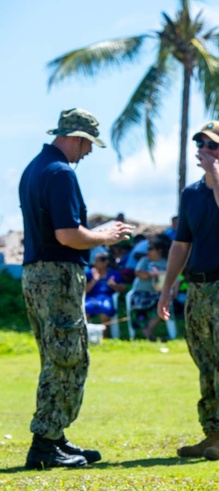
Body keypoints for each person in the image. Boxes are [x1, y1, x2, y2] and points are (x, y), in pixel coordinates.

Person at [19, 108, 133, 469]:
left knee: (55, 356)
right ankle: (47, 443)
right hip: (57, 275)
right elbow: (68, 235)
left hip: (36, 273)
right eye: (88, 145)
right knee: (67, 357)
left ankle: (54, 438)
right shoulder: (60, 173)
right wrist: (106, 235)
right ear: (77, 137)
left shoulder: (35, 169)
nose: (87, 153)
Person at [157, 120, 219, 461]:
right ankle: (212, 431)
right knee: (206, 362)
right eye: (201, 144)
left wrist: (217, 176)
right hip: (198, 289)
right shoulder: (191, 194)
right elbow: (181, 245)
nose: (205, 150)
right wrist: (167, 288)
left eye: (213, 145)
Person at [85, 249, 127, 333]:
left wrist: (114, 285)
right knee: (85, 310)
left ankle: (104, 337)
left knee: (104, 311)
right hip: (91, 298)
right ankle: (85, 336)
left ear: (105, 262)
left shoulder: (113, 274)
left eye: (98, 261)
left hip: (106, 298)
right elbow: (84, 290)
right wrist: (94, 281)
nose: (95, 263)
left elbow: (123, 289)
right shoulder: (89, 274)